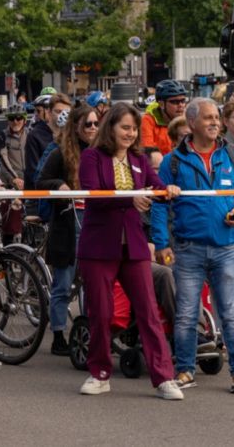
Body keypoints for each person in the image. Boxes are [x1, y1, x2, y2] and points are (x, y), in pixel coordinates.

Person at [76, 102, 183, 400]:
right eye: (125, 127)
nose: (130, 133)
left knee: (149, 311)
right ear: (110, 127)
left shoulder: (138, 158)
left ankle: (163, 377)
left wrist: (167, 190)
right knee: (101, 312)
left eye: (134, 128)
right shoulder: (91, 157)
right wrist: (130, 200)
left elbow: (156, 186)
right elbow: (94, 196)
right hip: (99, 246)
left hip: (133, 245)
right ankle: (99, 373)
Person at [150, 97, 234, 394]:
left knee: (231, 312)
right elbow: (159, 203)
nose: (214, 123)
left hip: (226, 248)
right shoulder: (173, 160)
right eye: (208, 118)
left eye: (216, 118)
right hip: (188, 249)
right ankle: (184, 370)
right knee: (185, 313)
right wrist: (161, 242)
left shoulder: (232, 156)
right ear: (192, 123)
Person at [36, 105, 97, 355]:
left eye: (96, 124)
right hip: (69, 221)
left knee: (93, 283)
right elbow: (41, 182)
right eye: (88, 125)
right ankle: (59, 333)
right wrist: (59, 184)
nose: (93, 129)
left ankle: (90, 330)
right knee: (63, 283)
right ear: (75, 127)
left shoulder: (101, 152)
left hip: (94, 221)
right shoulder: (60, 153)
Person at [0, 104, 28, 244]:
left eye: (19, 118)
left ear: (24, 120)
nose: (16, 121)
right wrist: (14, 178)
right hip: (10, 185)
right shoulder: (1, 136)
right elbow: (2, 159)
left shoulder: (30, 134)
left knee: (29, 223)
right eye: (12, 118)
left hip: (28, 184)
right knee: (10, 226)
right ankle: (9, 255)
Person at [141, 80, 188, 154]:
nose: (181, 105)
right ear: (162, 104)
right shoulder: (147, 121)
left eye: (183, 101)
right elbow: (147, 151)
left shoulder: (188, 119)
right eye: (175, 102)